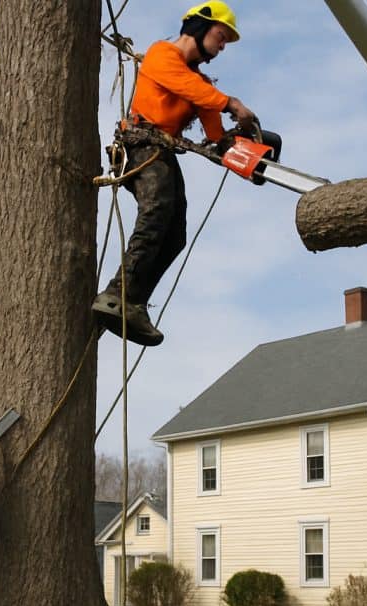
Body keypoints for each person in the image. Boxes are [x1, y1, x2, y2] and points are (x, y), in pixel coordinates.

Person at [92, 1, 259, 347]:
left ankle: (133, 302)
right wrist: (232, 103)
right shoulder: (162, 55)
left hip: (162, 152)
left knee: (175, 234)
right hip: (140, 142)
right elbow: (192, 89)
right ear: (199, 28)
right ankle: (116, 294)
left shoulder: (200, 84)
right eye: (221, 36)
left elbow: (215, 135)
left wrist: (245, 148)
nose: (222, 45)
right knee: (157, 212)